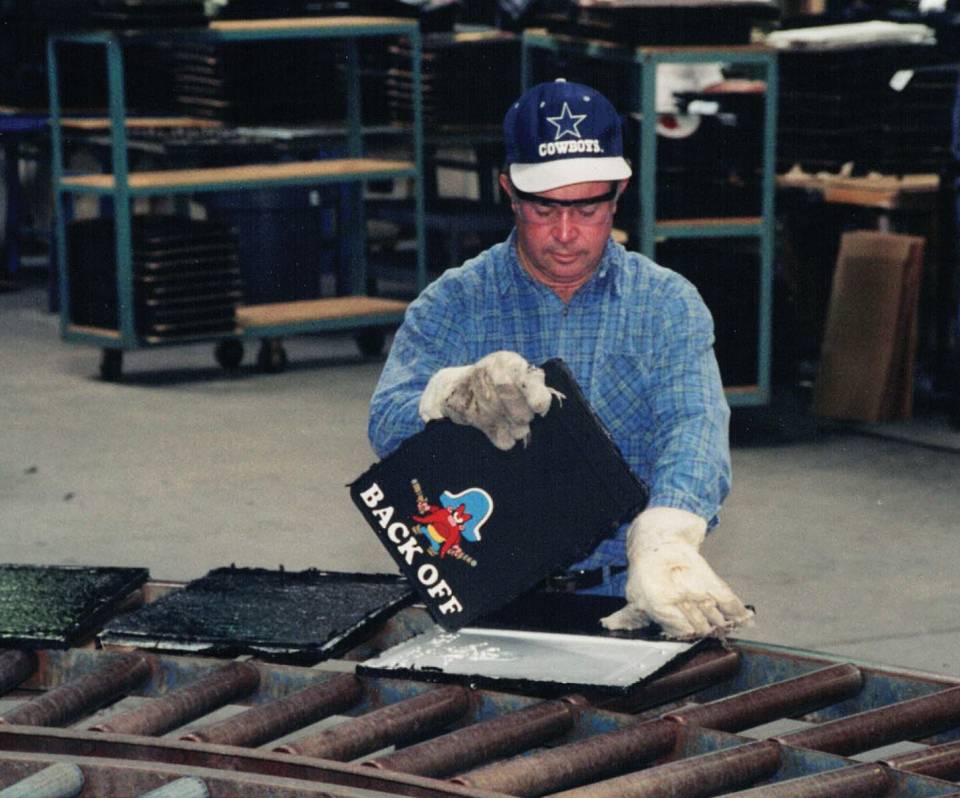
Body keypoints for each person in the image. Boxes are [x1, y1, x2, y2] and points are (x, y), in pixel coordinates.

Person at [368, 78, 752, 639]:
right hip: (485, 588)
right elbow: (385, 421)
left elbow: (693, 427)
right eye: (545, 209)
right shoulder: (457, 302)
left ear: (619, 194)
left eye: (590, 209)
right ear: (509, 191)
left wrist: (665, 538)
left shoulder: (665, 304)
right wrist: (445, 397)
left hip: (625, 590)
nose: (567, 235)